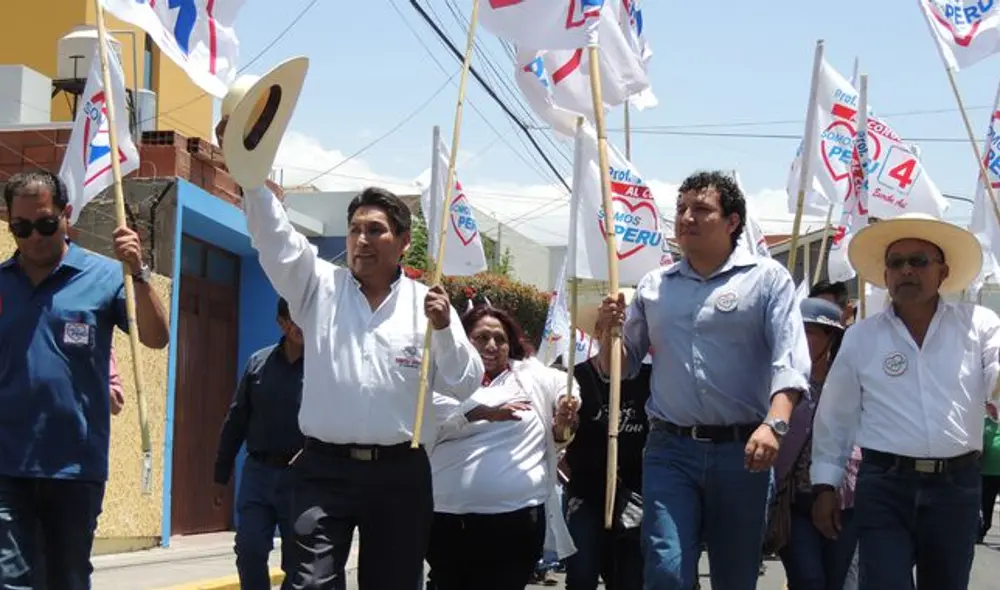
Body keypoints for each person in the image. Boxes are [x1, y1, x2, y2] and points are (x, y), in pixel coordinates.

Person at [218, 122, 484, 589]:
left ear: (402, 242)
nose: (361, 240)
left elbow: (463, 383)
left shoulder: (429, 305)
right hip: (323, 471)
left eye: (375, 230)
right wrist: (250, 173)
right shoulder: (316, 287)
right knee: (309, 583)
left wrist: (443, 329)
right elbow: (275, 239)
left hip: (401, 475)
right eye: (355, 229)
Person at [595, 170, 811, 590]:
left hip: (744, 452)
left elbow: (792, 363)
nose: (686, 217)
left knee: (734, 576)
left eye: (701, 209)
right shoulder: (654, 286)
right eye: (680, 209)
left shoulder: (768, 280)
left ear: (732, 221)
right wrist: (608, 332)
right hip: (669, 451)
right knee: (666, 570)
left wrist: (775, 424)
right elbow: (619, 368)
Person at [810, 213, 1000, 590]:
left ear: (943, 272)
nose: (906, 270)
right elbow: (835, 418)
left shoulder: (979, 325)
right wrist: (825, 487)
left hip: (956, 487)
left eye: (918, 261)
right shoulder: (860, 337)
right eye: (896, 263)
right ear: (885, 275)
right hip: (884, 486)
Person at [0, 170, 170, 589]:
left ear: (66, 215)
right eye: (21, 228)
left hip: (75, 467)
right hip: (7, 465)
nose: (34, 237)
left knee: (67, 578)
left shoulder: (107, 277)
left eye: (44, 224)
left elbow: (155, 336)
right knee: (10, 578)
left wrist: (139, 270)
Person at [426, 304, 580, 590]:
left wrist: (565, 405)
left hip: (517, 523)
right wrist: (479, 412)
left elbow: (565, 384)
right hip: (447, 522)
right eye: (481, 337)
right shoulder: (441, 379)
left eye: (500, 339)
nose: (492, 345)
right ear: (463, 341)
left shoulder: (530, 377)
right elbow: (427, 417)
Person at [213, 297, 305, 590]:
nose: (299, 324)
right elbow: (236, 421)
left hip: (301, 478)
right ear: (281, 321)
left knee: (300, 561)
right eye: (292, 318)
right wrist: (221, 474)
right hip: (258, 474)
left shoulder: (324, 369)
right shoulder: (258, 363)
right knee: (249, 549)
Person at [769, 297, 860, 590]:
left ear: (832, 338)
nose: (800, 338)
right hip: (794, 502)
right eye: (796, 329)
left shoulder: (855, 384)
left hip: (845, 504)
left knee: (842, 582)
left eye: (810, 331)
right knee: (808, 579)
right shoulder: (779, 384)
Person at [562, 293, 649, 590]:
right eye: (606, 327)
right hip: (587, 493)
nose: (612, 335)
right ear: (596, 332)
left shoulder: (649, 379)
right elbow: (562, 433)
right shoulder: (576, 377)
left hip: (637, 493)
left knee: (629, 578)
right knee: (581, 574)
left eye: (619, 329)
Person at [982, 402, 1000, 544]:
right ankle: (981, 529)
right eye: (990, 406)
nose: (993, 409)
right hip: (986, 472)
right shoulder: (984, 423)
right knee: (985, 505)